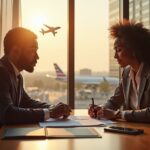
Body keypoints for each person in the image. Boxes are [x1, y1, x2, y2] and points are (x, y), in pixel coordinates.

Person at [0, 27, 71, 125]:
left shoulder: (16, 76)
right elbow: (8, 113)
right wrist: (50, 112)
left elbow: (27, 102)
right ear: (16, 51)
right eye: (33, 50)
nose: (37, 57)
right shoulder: (1, 72)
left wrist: (52, 108)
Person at [88, 20, 150, 123]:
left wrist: (118, 114)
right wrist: (101, 109)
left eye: (119, 50)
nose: (115, 56)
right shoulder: (126, 73)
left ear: (134, 50)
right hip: (134, 132)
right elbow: (114, 101)